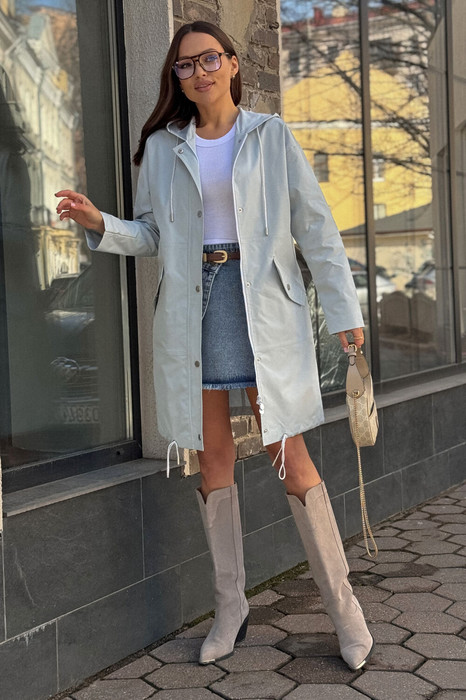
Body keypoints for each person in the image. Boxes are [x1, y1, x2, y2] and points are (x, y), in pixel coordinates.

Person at [55, 21, 374, 670]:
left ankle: (345, 611)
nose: (197, 72)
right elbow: (151, 234)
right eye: (184, 66)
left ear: (231, 64)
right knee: (213, 460)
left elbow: (315, 226)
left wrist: (344, 310)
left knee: (290, 458)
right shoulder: (162, 148)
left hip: (262, 308)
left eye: (208, 60)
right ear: (176, 79)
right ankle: (230, 609)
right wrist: (100, 223)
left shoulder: (270, 135)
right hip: (193, 308)